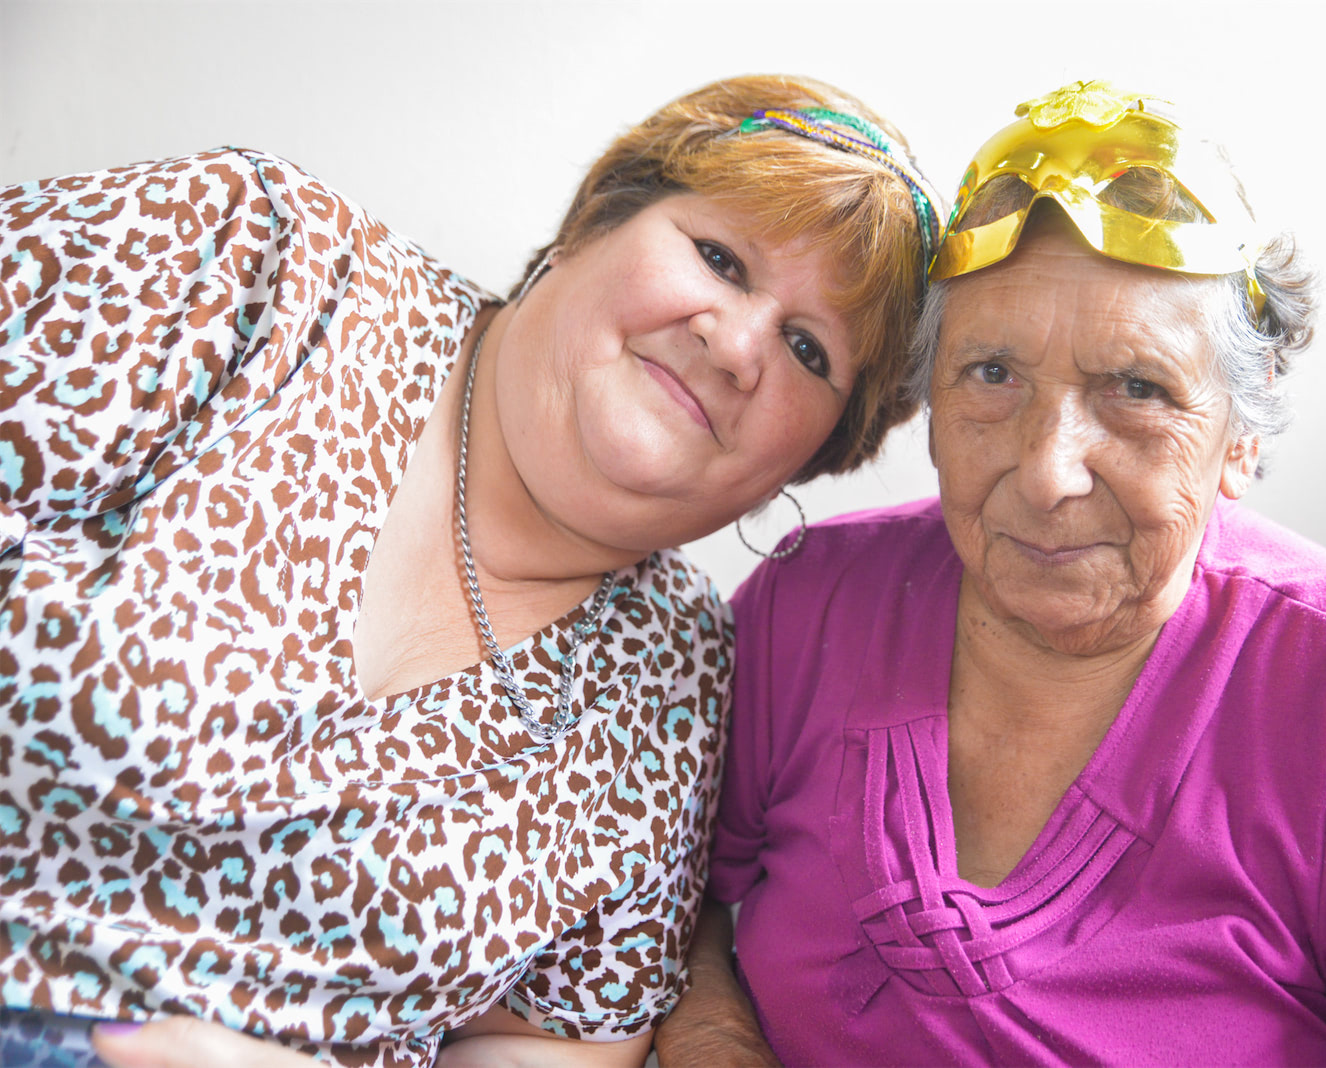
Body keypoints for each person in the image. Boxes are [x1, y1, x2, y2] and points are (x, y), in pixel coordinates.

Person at [0, 74, 939, 1068]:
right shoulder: (255, 258)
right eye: (720, 258)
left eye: (807, 349)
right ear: (593, 222)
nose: (739, 346)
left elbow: (557, 1048)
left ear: (809, 459)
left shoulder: (682, 676)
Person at [654, 80, 1326, 1065]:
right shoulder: (812, 603)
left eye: (1136, 389)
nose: (1048, 472)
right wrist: (717, 1036)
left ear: (1239, 437)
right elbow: (671, 904)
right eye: (991, 375)